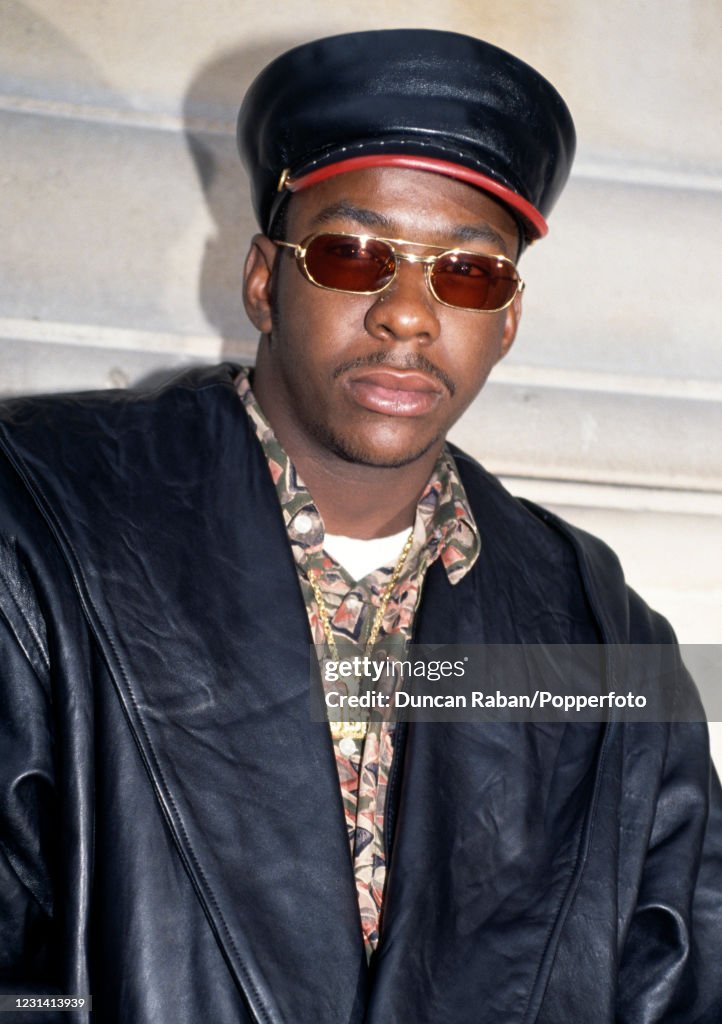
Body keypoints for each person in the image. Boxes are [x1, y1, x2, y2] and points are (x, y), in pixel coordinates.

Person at [0, 28, 720, 1024]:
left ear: (506, 319)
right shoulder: (37, 525)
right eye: (353, 254)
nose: (408, 314)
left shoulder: (602, 640)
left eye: (467, 273)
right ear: (264, 279)